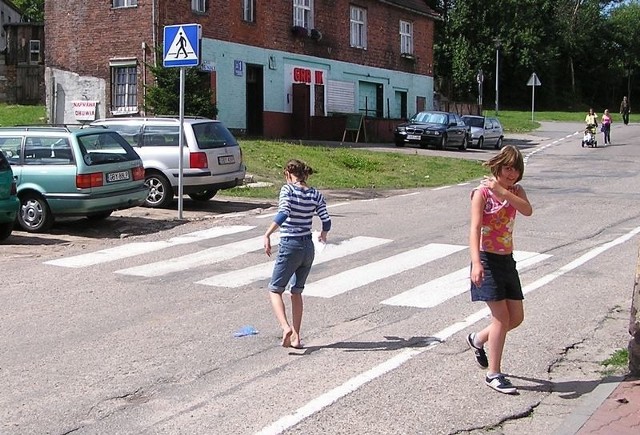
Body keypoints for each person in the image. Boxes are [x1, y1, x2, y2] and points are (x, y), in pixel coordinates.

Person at [465, 145, 533, 394]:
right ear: (498, 166)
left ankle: (478, 339)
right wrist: (476, 262)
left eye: (516, 169)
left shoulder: (515, 191)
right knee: (501, 318)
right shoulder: (482, 193)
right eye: (507, 168)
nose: (512, 173)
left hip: (507, 260)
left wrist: (503, 190)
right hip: (487, 259)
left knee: (516, 318)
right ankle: (494, 374)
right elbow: (474, 229)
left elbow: (527, 210)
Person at [264, 159, 331, 349]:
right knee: (296, 292)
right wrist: (324, 234)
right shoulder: (315, 194)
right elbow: (326, 220)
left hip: (290, 245)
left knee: (275, 289)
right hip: (308, 248)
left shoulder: (288, 190)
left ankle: (286, 328)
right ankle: (297, 337)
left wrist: (268, 233)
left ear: (288, 174)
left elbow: (284, 212)